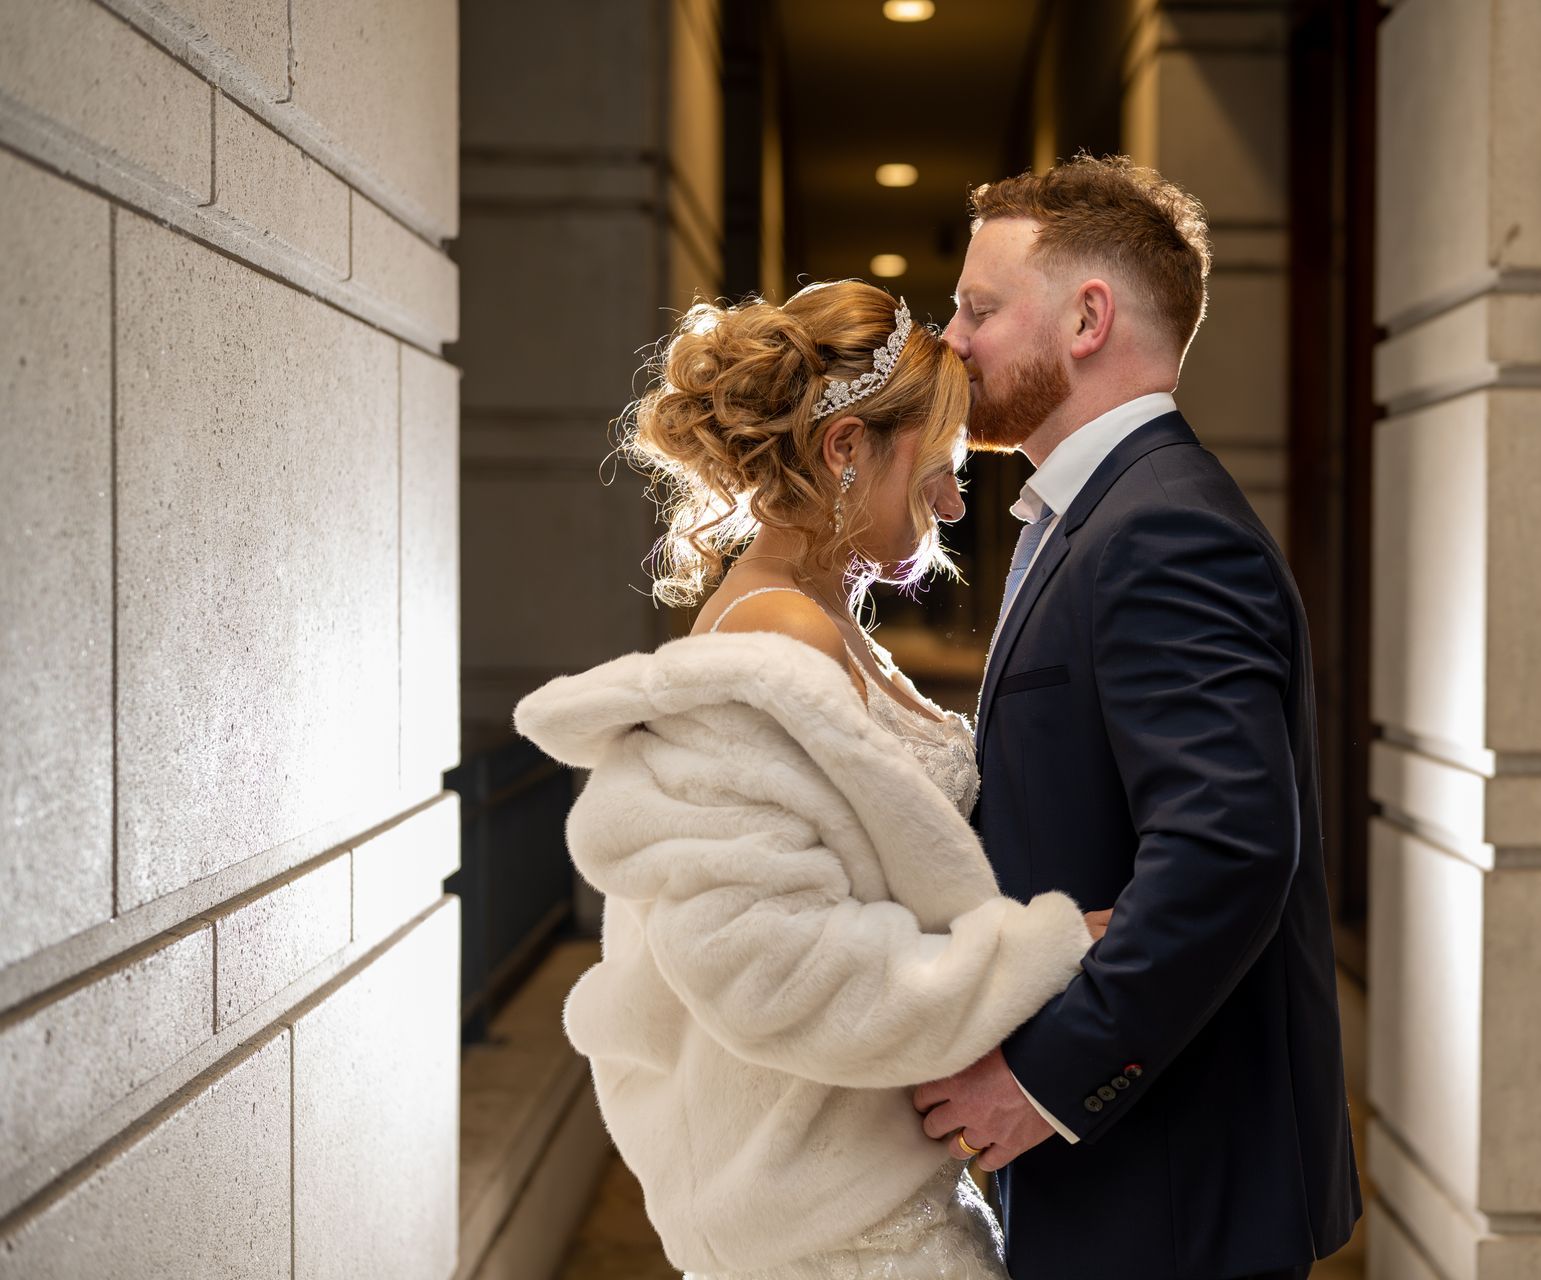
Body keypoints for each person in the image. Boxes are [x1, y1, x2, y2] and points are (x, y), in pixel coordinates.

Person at [514, 279, 1099, 1279]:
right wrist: (1044, 948)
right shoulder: (780, 629)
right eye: (945, 462)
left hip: (860, 1191)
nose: (959, 499)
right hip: (829, 1233)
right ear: (845, 451)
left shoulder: (820, 624)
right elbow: (770, 966)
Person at [910, 156, 1362, 1279]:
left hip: (1170, 1180)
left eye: (978, 307)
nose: (951, 342)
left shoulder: (1162, 532)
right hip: (1131, 1172)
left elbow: (1227, 849)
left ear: (1087, 318)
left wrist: (1045, 1079)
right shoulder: (1093, 514)